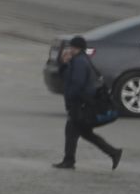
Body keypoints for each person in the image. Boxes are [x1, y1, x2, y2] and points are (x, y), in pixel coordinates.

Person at [53, 35, 123, 171]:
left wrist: (72, 100)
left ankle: (69, 161)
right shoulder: (77, 60)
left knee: (72, 130)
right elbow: (66, 77)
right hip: (80, 104)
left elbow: (76, 84)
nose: (69, 49)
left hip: (81, 105)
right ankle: (113, 152)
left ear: (76, 48)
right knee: (83, 132)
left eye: (71, 47)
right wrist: (64, 63)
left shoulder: (80, 62)